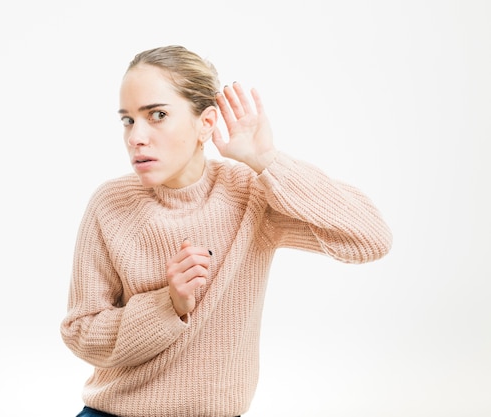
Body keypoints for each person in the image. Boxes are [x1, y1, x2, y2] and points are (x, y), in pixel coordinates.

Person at [60, 45, 392, 417]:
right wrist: (168, 305)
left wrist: (267, 160)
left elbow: (371, 238)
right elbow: (80, 331)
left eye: (157, 115)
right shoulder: (110, 203)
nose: (136, 136)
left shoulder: (252, 194)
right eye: (128, 120)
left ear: (205, 123)